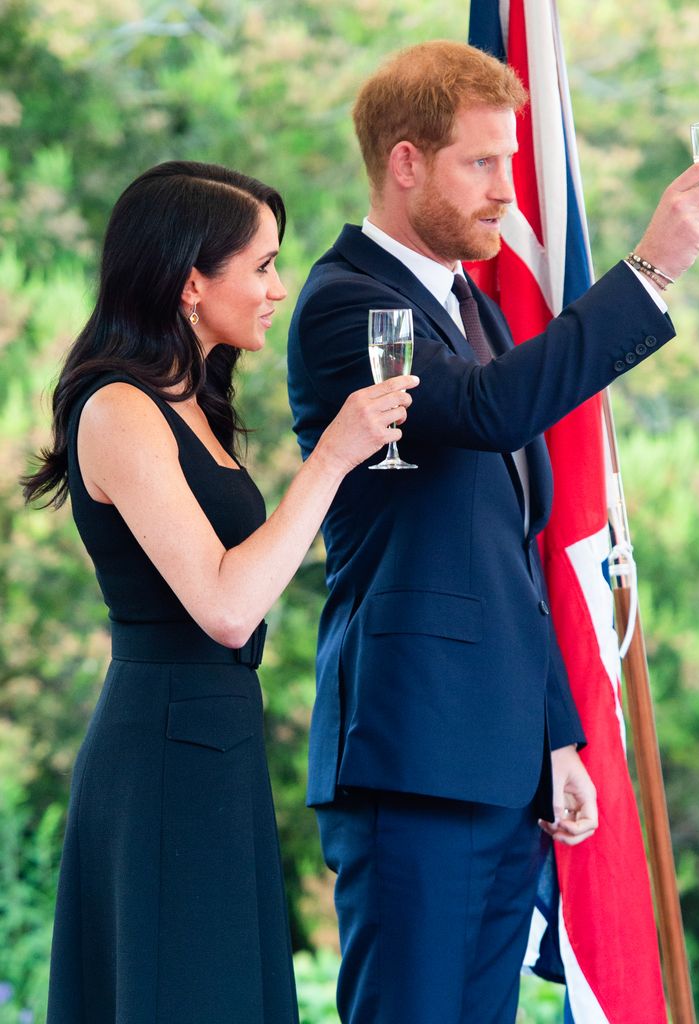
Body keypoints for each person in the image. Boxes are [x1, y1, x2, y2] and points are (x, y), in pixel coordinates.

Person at [286, 41, 699, 1024]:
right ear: (406, 161)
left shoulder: (469, 311)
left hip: (496, 758)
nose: (506, 190)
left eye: (511, 161)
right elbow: (492, 412)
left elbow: (511, 557)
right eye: (481, 164)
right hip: (410, 749)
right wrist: (651, 266)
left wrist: (558, 736)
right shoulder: (343, 302)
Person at [21, 160, 417, 1024]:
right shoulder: (119, 409)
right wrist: (333, 456)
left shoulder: (192, 400)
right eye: (264, 264)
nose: (279, 287)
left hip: (213, 740)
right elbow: (228, 605)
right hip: (164, 751)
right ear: (192, 282)